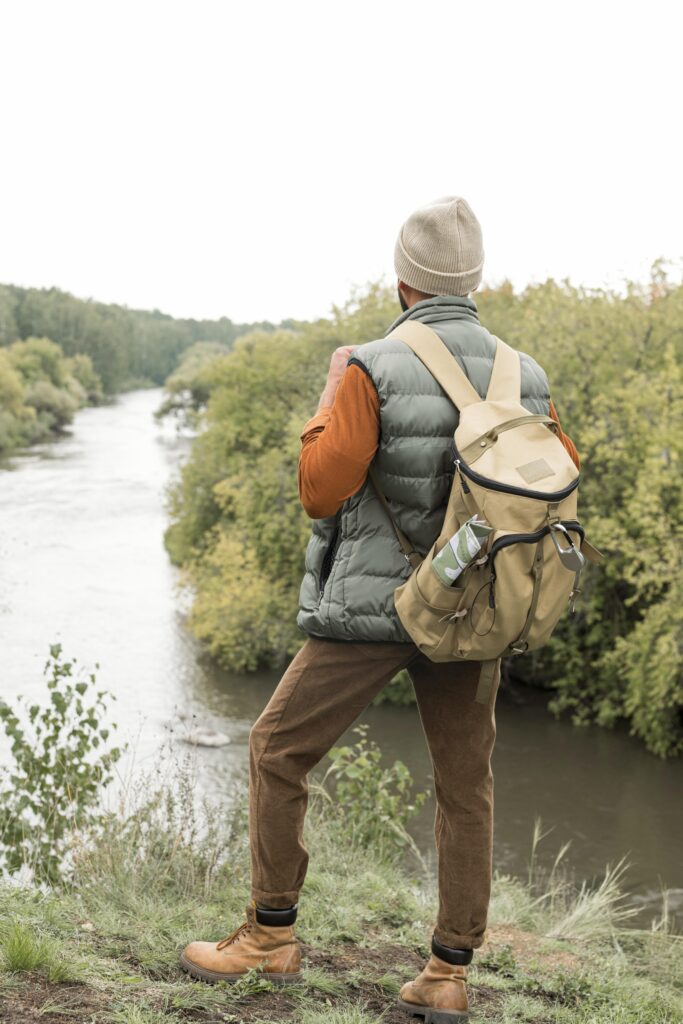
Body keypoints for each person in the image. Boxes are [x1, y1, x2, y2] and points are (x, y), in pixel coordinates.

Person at [180, 196, 580, 1022]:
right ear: (474, 280)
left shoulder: (370, 364)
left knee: (277, 749)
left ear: (401, 281)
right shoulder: (526, 376)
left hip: (377, 608)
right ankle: (447, 974)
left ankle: (270, 934)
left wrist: (332, 391)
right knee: (465, 784)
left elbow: (320, 491)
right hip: (476, 610)